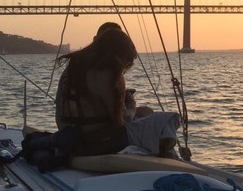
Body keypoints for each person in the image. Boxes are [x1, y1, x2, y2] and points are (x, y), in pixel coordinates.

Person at [55, 23, 179, 157]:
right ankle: (171, 162)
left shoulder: (73, 67)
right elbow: (120, 123)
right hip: (95, 142)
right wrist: (131, 103)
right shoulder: (107, 73)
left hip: (69, 135)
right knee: (164, 120)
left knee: (145, 114)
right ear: (116, 53)